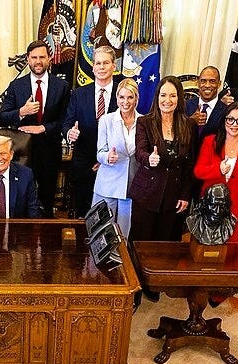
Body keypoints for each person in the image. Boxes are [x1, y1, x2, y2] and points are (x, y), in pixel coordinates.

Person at [131, 77, 197, 303]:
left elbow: (189, 164)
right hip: (146, 193)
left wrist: (185, 195)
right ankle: (136, 285)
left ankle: (154, 283)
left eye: (172, 95)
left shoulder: (188, 125)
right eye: (163, 95)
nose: (167, 100)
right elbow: (139, 151)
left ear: (179, 99)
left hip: (173, 195)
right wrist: (149, 159)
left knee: (164, 243)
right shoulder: (145, 122)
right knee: (141, 242)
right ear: (157, 97)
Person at [0, 40, 70, 215]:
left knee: (47, 201)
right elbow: (1, 118)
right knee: (21, 200)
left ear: (49, 58)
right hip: (22, 152)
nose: (38, 61)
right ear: (28, 59)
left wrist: (44, 128)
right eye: (34, 57)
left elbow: (66, 120)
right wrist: (21, 112)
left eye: (42, 57)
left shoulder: (62, 86)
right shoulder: (16, 86)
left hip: (50, 151)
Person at [192, 102, 238, 243]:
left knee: (229, 252)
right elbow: (198, 171)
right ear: (224, 120)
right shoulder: (210, 141)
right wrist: (218, 169)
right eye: (230, 119)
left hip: (235, 212)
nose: (234, 124)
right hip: (210, 209)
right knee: (203, 250)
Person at [63, 45, 118, 218]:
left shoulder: (122, 94)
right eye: (98, 63)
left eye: (105, 63)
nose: (101, 67)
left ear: (114, 66)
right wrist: (70, 133)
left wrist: (104, 160)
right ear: (93, 67)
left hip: (113, 166)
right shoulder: (78, 94)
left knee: (108, 217)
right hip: (83, 166)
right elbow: (67, 123)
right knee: (83, 215)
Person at [93, 78, 140, 237]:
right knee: (103, 232)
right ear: (116, 98)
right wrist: (108, 157)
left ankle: (123, 254)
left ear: (136, 98)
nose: (125, 102)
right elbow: (100, 152)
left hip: (131, 184)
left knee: (125, 232)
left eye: (130, 97)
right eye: (122, 97)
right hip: (108, 183)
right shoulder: (106, 120)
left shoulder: (143, 121)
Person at [184, 65, 230, 144]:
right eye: (203, 81)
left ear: (219, 84)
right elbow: (176, 132)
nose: (207, 85)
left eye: (212, 81)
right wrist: (191, 121)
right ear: (198, 83)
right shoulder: (186, 105)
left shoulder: (226, 111)